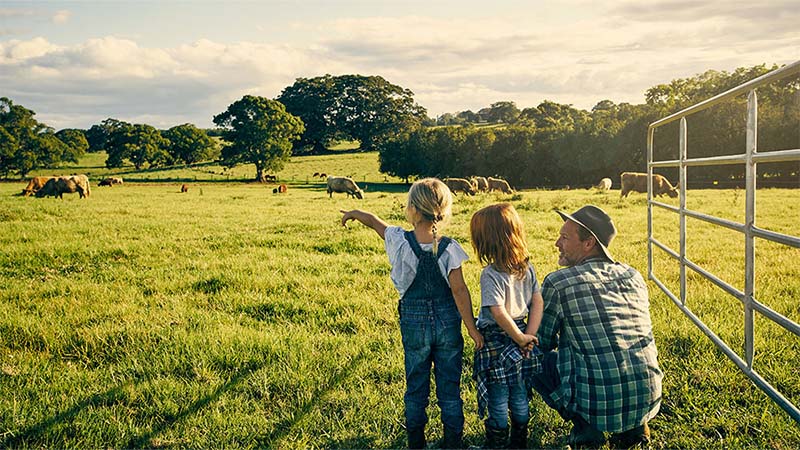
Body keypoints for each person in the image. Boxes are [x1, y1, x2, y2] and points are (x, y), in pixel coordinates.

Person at [340, 177, 484, 449]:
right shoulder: (450, 247)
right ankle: (454, 444)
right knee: (450, 388)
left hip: (414, 322)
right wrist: (472, 328)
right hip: (448, 323)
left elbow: (373, 222)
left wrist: (354, 213)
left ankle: (416, 444)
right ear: (443, 210)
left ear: (412, 210)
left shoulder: (398, 240)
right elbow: (459, 291)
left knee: (416, 386)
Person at [532, 205, 663, 448]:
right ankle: (634, 428)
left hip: (599, 404)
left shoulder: (559, 282)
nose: (556, 243)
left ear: (589, 243)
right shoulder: (632, 275)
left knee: (527, 355)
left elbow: (541, 340)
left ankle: (586, 426)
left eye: (564, 237)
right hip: (648, 398)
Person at [470, 203, 543, 449]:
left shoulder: (490, 274)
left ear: (487, 241)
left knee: (498, 396)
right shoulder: (528, 268)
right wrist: (528, 336)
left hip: (498, 341)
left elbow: (497, 311)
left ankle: (497, 444)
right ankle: (519, 441)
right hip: (522, 334)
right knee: (520, 391)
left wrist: (520, 337)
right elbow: (537, 301)